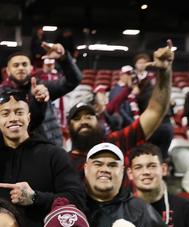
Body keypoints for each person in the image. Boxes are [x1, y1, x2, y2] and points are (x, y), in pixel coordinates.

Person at [0, 90, 86, 227]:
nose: (13, 118)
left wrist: (35, 198)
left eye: (19, 112)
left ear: (28, 117)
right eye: (6, 113)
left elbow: (77, 199)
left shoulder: (54, 154)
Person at [67, 40, 175, 171]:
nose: (83, 121)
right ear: (69, 127)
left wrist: (164, 72)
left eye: (88, 117)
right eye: (77, 119)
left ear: (98, 120)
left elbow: (155, 111)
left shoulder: (115, 144)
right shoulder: (62, 162)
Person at [83, 142, 174, 227]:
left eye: (112, 165)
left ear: (122, 171)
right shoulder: (71, 207)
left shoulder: (141, 210)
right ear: (86, 168)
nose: (104, 169)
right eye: (98, 164)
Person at [0, 42, 82, 147]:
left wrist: (64, 58)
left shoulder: (43, 88)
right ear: (7, 71)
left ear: (31, 68)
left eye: (24, 64)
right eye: (16, 65)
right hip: (17, 151)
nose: (20, 68)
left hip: (50, 147)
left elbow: (74, 80)